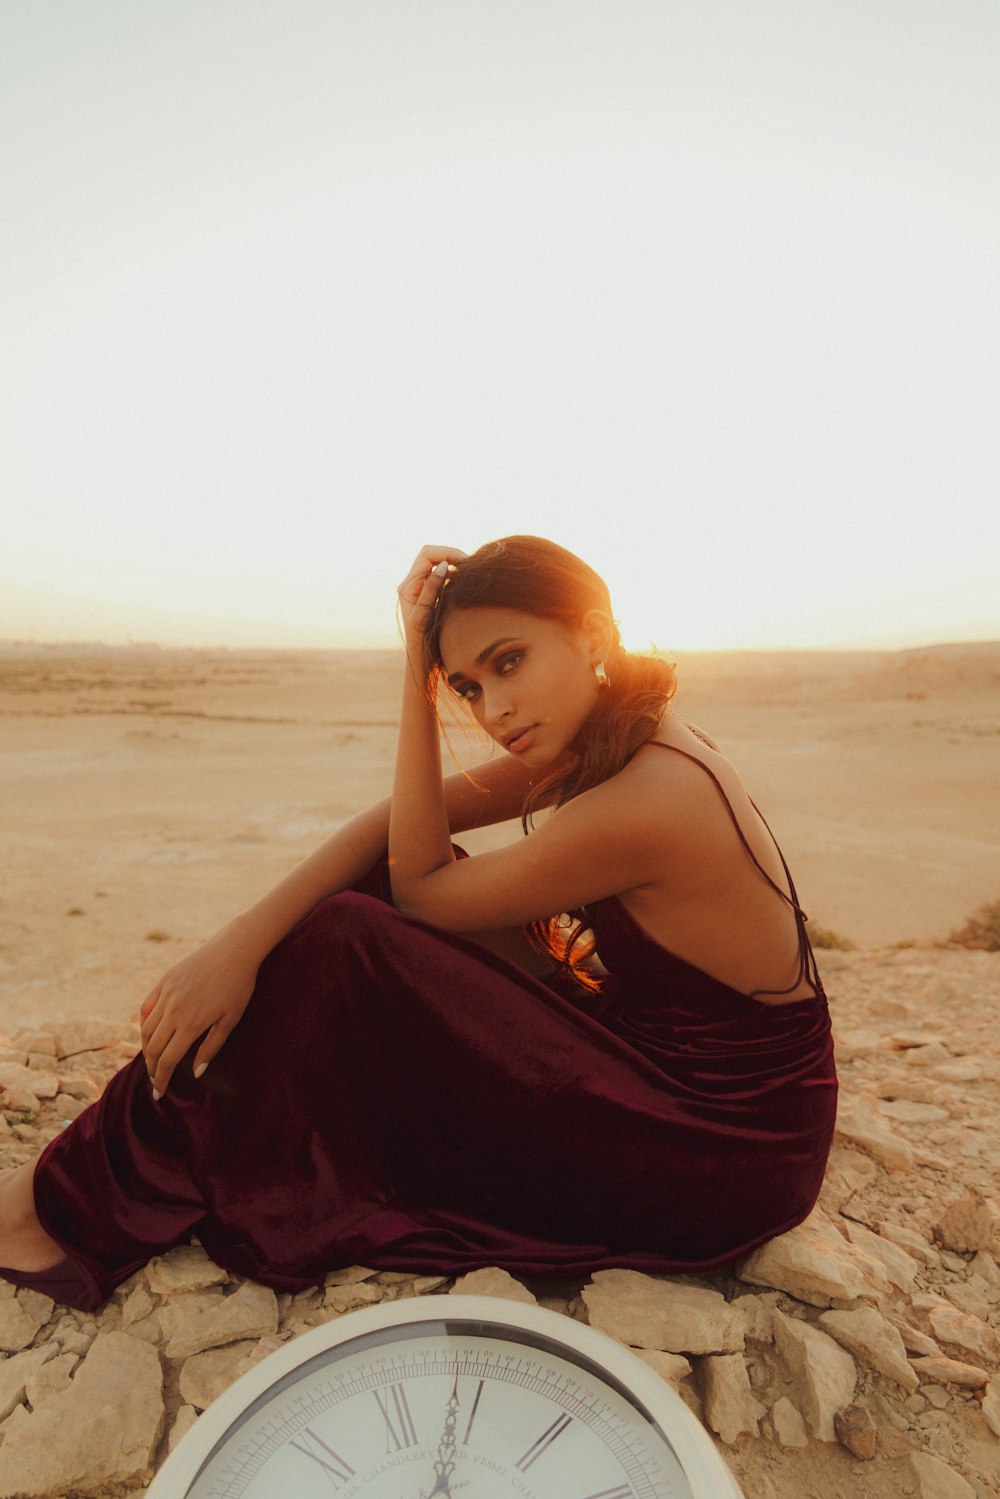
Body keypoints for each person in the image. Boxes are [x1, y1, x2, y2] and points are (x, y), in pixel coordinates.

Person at [0, 536, 837, 1312]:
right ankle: (92, 1174)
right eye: (466, 686)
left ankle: (52, 1205)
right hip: (679, 1086)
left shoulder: (649, 797)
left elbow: (420, 893)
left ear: (592, 635)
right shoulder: (618, 733)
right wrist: (238, 944)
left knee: (348, 940)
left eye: (508, 662)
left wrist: (413, 675)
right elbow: (394, 828)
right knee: (356, 900)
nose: (494, 708)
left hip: (723, 1153)